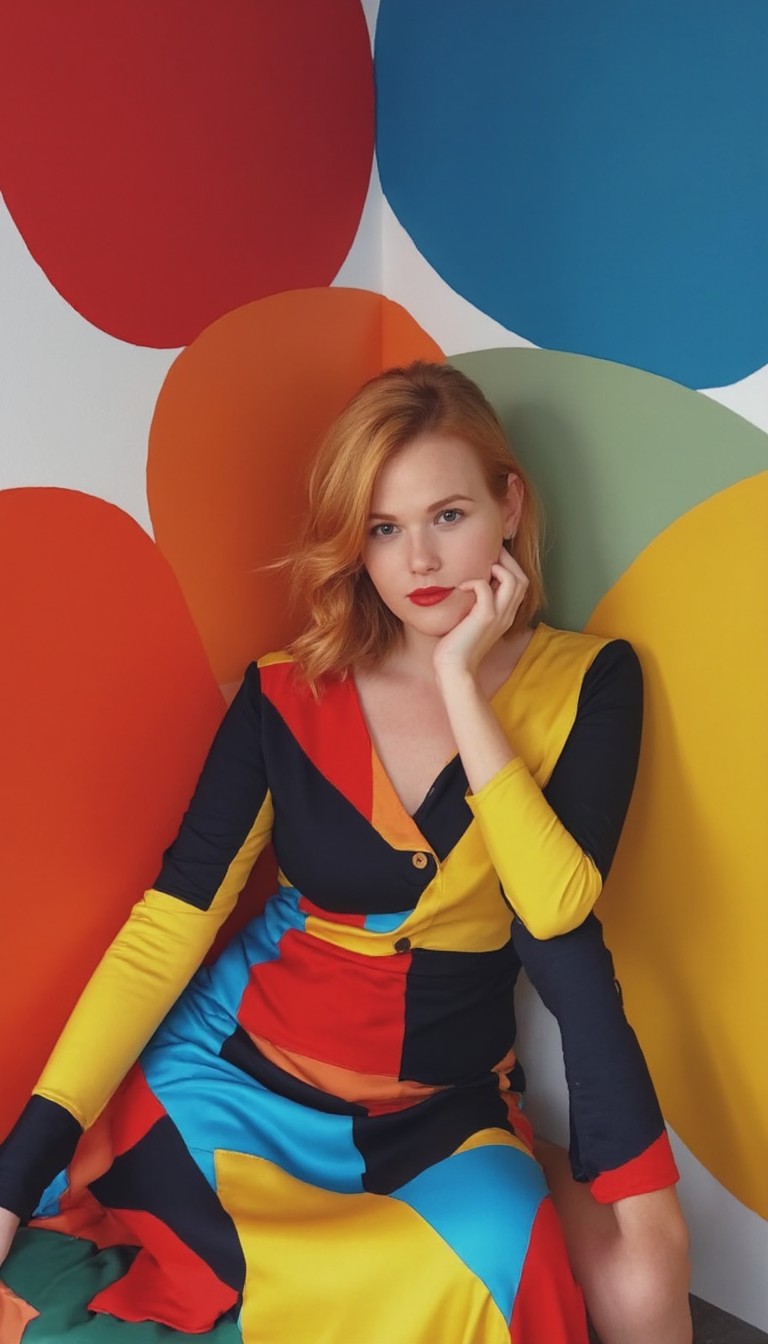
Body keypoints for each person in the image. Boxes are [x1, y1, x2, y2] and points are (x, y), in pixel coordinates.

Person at [0, 361, 691, 1343]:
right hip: (233, 1075)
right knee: (170, 1265)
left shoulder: (591, 683)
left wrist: (460, 682)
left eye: (448, 515)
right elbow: (168, 927)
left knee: (499, 1262)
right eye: (383, 528)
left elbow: (554, 906)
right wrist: (17, 1169)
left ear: (509, 505)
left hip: (437, 1108)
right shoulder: (286, 691)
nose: (420, 560)